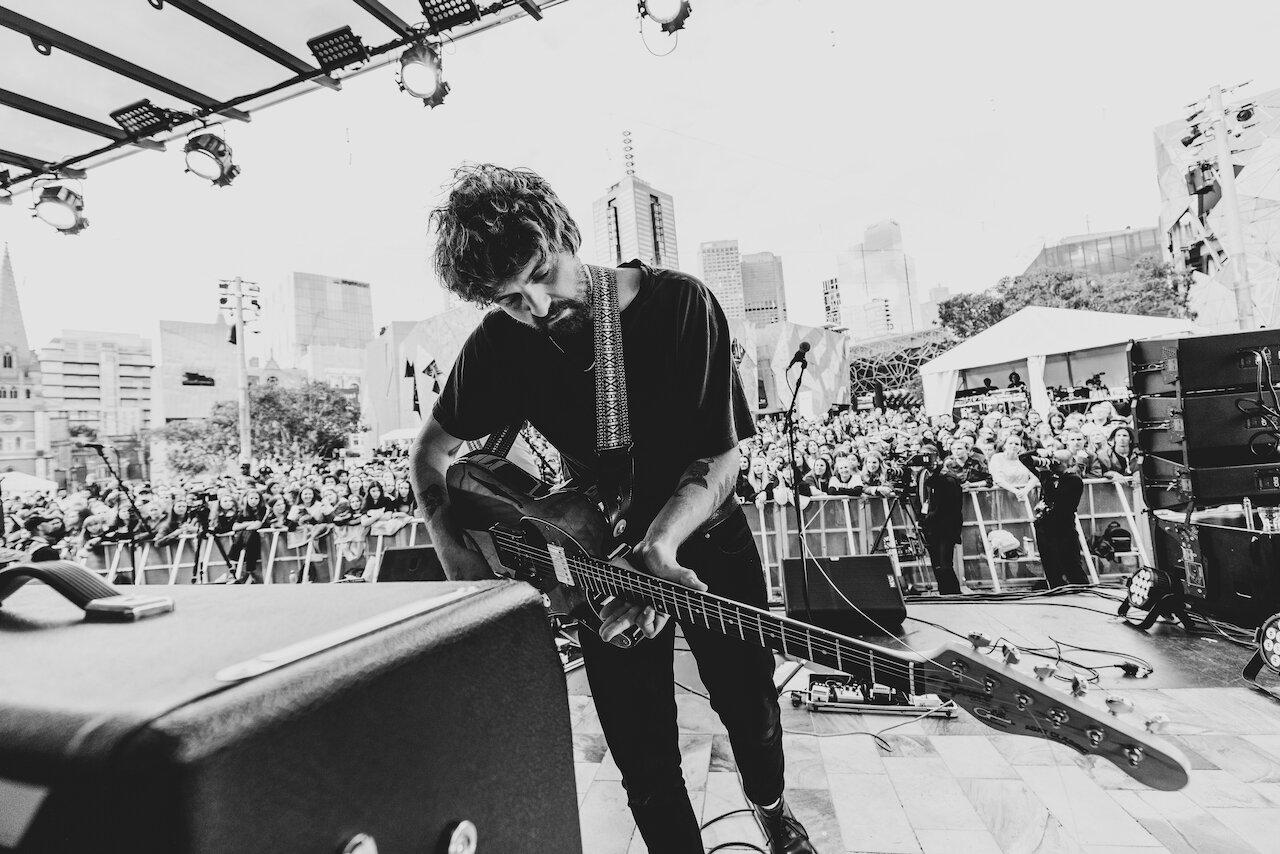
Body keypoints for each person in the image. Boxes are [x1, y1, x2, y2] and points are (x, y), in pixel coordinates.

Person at [411, 164, 816, 854]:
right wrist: (461, 561)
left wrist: (661, 546)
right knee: (639, 747)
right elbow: (430, 458)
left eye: (542, 273)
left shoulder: (680, 305)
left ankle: (771, 810)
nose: (536, 307)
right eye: (509, 300)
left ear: (566, 234)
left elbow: (719, 461)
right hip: (594, 556)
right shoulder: (499, 346)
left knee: (751, 707)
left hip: (706, 540)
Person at [1019, 449, 1089, 588]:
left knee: (1072, 567)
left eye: (1056, 462)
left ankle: (1083, 593)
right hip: (1045, 527)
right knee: (1051, 567)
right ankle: (1057, 591)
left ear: (1068, 463)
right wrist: (1039, 451)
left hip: (1063, 529)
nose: (1052, 465)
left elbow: (1056, 501)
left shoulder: (1073, 479)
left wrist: (1046, 476)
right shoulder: (1050, 475)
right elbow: (1023, 458)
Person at [920, 457, 965, 594]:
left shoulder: (948, 480)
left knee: (945, 565)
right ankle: (945, 593)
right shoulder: (929, 479)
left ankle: (953, 594)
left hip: (946, 528)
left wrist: (926, 519)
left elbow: (946, 507)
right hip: (934, 527)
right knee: (938, 565)